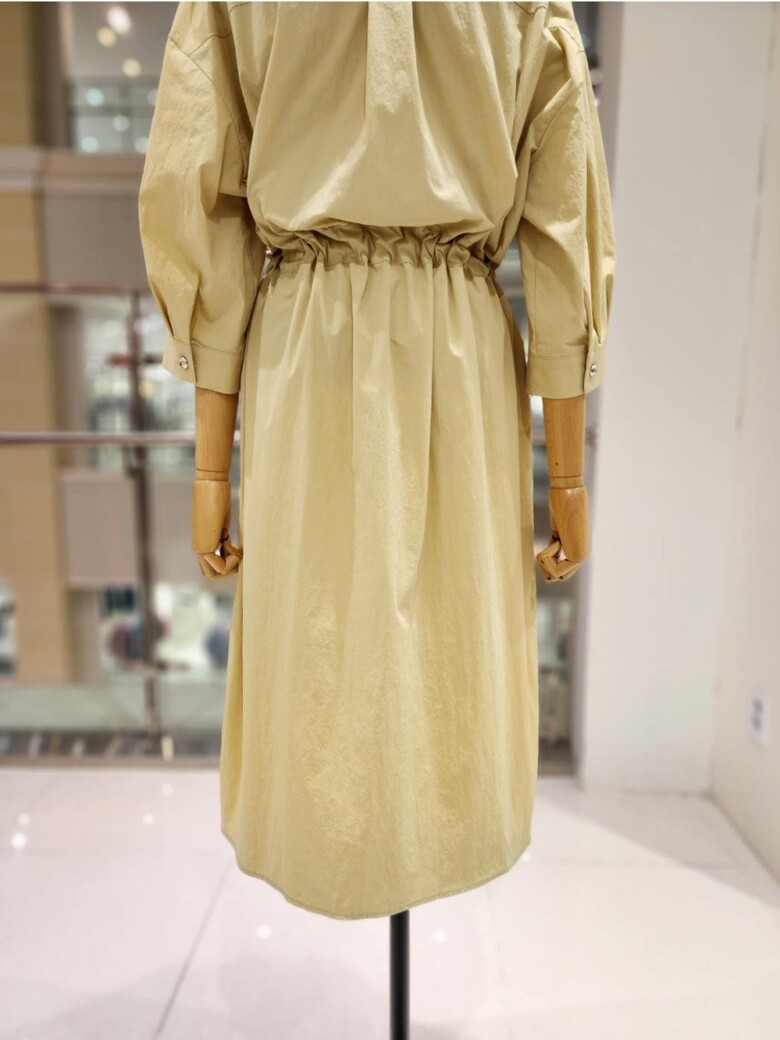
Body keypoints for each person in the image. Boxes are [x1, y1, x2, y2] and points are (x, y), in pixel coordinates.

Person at [138, 0, 616, 921]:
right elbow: (566, 215)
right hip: (445, 341)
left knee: (341, 627)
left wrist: (210, 469)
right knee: (382, 631)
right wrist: (568, 479)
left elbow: (200, 194)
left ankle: (361, 839)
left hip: (309, 341)